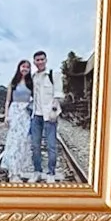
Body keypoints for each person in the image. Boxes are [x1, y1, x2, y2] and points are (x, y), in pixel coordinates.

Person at [0, 60, 35, 182]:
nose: (25, 69)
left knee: (23, 142)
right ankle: (12, 173)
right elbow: (8, 101)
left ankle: (18, 171)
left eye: (27, 67)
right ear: (19, 67)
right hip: (14, 113)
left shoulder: (31, 83)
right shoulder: (13, 83)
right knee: (13, 142)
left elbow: (35, 99)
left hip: (25, 114)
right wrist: (6, 116)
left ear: (30, 69)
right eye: (23, 66)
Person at [29, 50, 62, 182]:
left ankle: (51, 173)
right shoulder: (33, 77)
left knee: (51, 145)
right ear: (34, 62)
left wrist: (54, 111)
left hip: (49, 115)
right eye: (37, 60)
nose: (40, 62)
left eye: (42, 59)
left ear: (46, 60)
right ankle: (37, 171)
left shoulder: (54, 74)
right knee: (35, 145)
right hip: (36, 116)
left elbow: (58, 95)